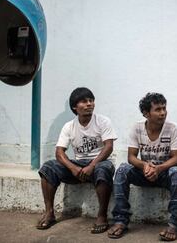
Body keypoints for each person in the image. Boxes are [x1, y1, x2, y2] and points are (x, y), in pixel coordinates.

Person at [37, 87, 117, 234]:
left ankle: (102, 215)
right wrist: (73, 168)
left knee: (103, 169)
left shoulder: (103, 121)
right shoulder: (69, 126)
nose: (89, 104)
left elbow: (109, 147)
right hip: (79, 165)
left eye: (91, 100)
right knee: (48, 167)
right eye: (84, 101)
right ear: (75, 107)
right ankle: (49, 212)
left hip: (100, 162)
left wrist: (92, 165)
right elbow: (59, 152)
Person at [109, 93, 177, 241]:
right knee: (122, 170)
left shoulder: (173, 128)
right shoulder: (137, 128)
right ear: (146, 114)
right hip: (145, 172)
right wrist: (145, 165)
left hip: (164, 173)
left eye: (164, 108)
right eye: (158, 109)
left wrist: (158, 169)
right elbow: (131, 157)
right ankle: (120, 220)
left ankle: (175, 224)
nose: (163, 113)